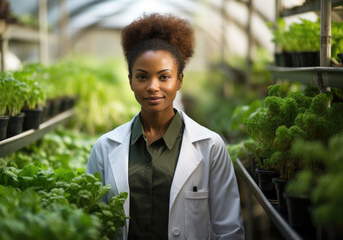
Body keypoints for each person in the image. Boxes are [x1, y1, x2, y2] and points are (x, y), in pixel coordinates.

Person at [87, 13, 245, 240]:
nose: (153, 86)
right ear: (130, 80)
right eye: (142, 77)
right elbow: (93, 224)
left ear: (179, 80)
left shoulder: (210, 146)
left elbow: (229, 230)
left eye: (164, 77)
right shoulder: (105, 147)